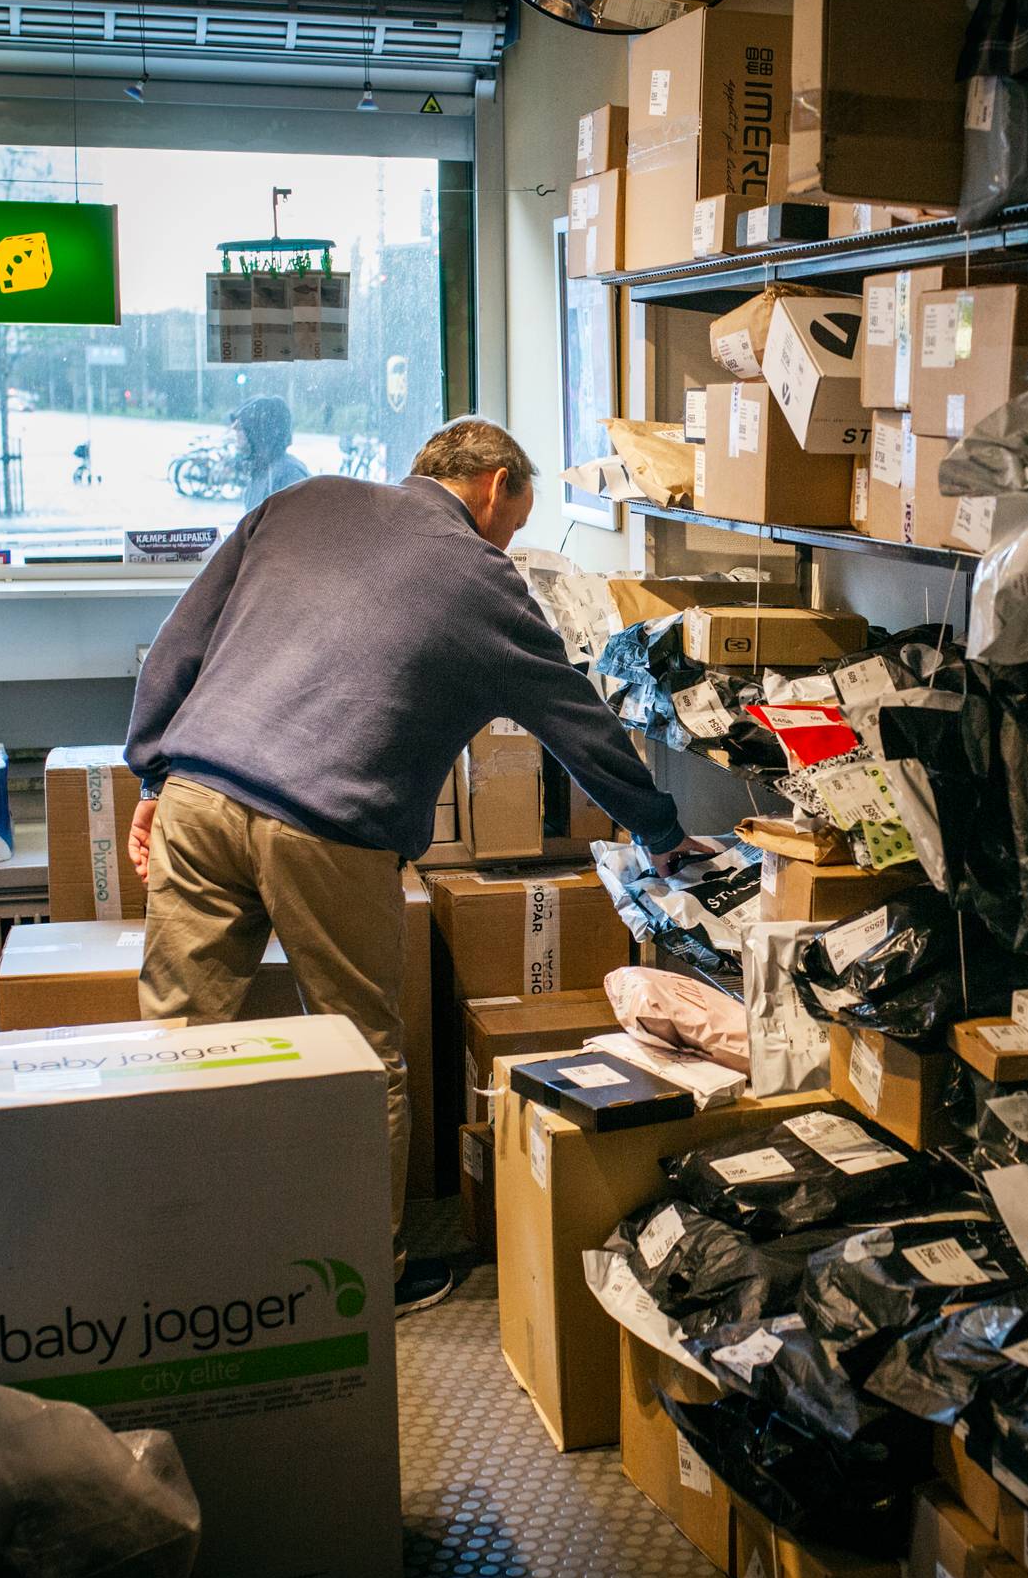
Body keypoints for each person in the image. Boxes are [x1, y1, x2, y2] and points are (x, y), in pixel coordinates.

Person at [122, 417, 698, 1310]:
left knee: (179, 1043)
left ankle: (168, 1271)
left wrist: (156, 768)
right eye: (514, 518)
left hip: (199, 796)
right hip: (326, 824)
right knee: (361, 1057)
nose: (508, 540)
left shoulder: (302, 501)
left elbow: (179, 638)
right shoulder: (481, 578)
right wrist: (659, 828)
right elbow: (575, 719)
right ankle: (365, 1279)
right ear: (494, 483)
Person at [229, 394, 309, 508]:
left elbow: (300, 521)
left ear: (259, 432)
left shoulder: (288, 473)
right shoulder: (259, 472)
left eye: (242, 426)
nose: (234, 428)